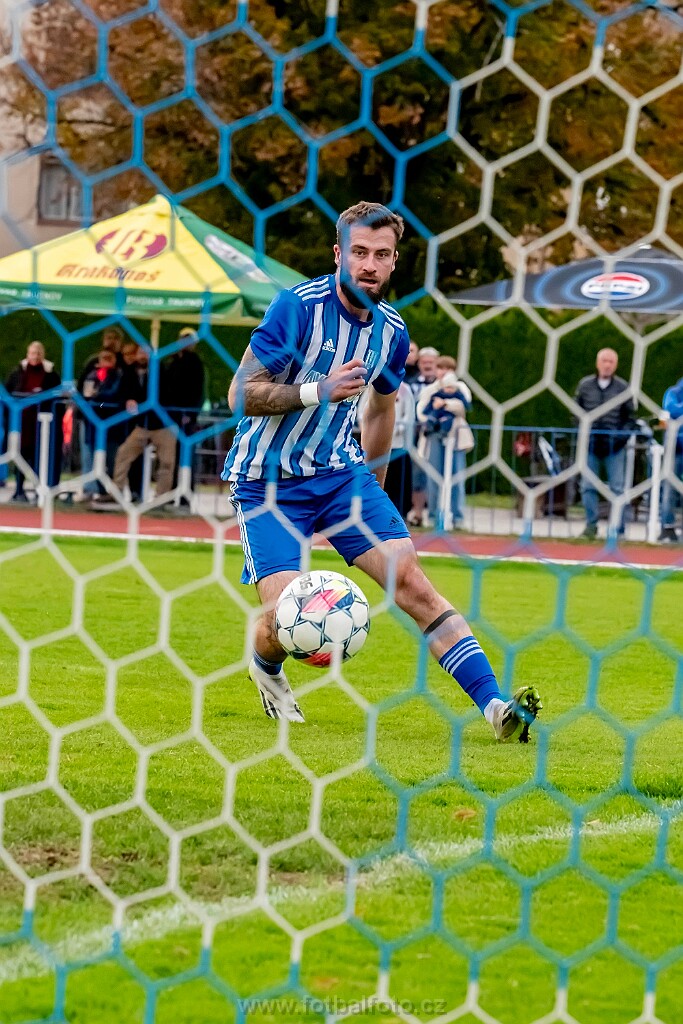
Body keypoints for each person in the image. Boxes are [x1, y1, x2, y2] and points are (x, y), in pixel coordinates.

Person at [222, 201, 541, 741]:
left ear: (395, 261)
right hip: (268, 480)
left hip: (341, 476)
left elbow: (381, 408)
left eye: (382, 254)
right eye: (360, 252)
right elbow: (240, 393)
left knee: (412, 582)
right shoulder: (296, 308)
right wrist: (315, 391)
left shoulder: (392, 331)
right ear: (339, 254)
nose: (369, 265)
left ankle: (495, 707)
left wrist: (374, 486)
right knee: (285, 617)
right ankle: (266, 667)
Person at [575, 348, 635, 540]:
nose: (607, 365)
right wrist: (583, 435)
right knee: (587, 486)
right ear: (597, 363)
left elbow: (630, 418)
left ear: (616, 365)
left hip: (614, 447)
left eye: (611, 361)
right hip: (590, 445)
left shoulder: (623, 388)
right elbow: (576, 412)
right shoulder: (585, 386)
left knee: (617, 487)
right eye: (604, 361)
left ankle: (617, 529)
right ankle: (591, 526)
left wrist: (620, 438)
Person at [111, 345, 176, 504]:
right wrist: (128, 400)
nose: (143, 356)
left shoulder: (161, 371)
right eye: (140, 352)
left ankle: (161, 498)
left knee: (167, 462)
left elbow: (167, 392)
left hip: (163, 425)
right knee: (123, 454)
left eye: (146, 353)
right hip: (142, 425)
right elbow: (122, 392)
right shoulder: (129, 372)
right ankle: (116, 492)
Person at [416, 356, 474, 529]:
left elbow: (463, 406)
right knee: (433, 477)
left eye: (447, 369)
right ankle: (433, 516)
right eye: (440, 368)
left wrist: (444, 403)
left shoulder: (461, 387)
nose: (443, 372)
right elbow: (421, 411)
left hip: (456, 436)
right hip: (434, 434)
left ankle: (457, 517)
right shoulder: (430, 389)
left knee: (457, 476)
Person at [5, 341, 62, 501]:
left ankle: (41, 489)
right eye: (32, 353)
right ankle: (19, 490)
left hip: (42, 423)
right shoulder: (18, 372)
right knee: (20, 454)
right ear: (27, 354)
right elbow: (9, 391)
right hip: (22, 422)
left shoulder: (50, 374)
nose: (35, 357)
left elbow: (57, 395)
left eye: (38, 353)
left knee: (41, 455)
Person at [165, 327, 205, 503]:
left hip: (186, 416)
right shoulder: (173, 360)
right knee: (172, 456)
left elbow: (198, 391)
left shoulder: (195, 362)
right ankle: (172, 492)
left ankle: (185, 495)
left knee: (186, 456)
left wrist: (191, 413)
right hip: (172, 415)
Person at [80, 349, 123, 495]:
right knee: (90, 455)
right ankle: (91, 488)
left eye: (109, 359)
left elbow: (113, 394)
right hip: (93, 420)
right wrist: (97, 398)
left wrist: (98, 396)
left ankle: (106, 489)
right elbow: (87, 394)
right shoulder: (92, 375)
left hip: (111, 421)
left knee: (110, 457)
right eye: (104, 359)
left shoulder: (118, 376)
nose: (106, 362)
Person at [406, 345, 439, 526]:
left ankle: (437, 514)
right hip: (415, 434)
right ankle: (417, 513)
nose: (427, 365)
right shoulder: (411, 384)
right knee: (417, 474)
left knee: (436, 472)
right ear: (419, 364)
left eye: (431, 362)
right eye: (424, 362)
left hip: (436, 433)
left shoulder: (443, 385)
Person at [659, 375, 683, 542]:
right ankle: (667, 527)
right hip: (674, 448)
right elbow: (670, 409)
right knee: (669, 488)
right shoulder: (673, 392)